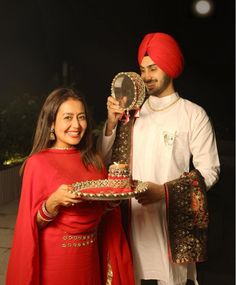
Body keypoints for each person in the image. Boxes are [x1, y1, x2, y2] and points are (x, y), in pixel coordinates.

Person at [97, 32, 220, 285]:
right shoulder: (132, 112)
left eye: (153, 68)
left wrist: (164, 192)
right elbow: (105, 160)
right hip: (129, 224)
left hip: (170, 227)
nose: (146, 77)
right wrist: (111, 123)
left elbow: (210, 171)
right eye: (142, 70)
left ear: (171, 66)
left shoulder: (193, 115)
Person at [6, 87, 135, 285]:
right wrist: (52, 203)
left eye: (81, 117)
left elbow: (103, 211)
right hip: (56, 263)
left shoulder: (94, 160)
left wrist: (113, 199)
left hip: (90, 260)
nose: (76, 125)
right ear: (51, 123)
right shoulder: (37, 163)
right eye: (68, 117)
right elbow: (30, 226)